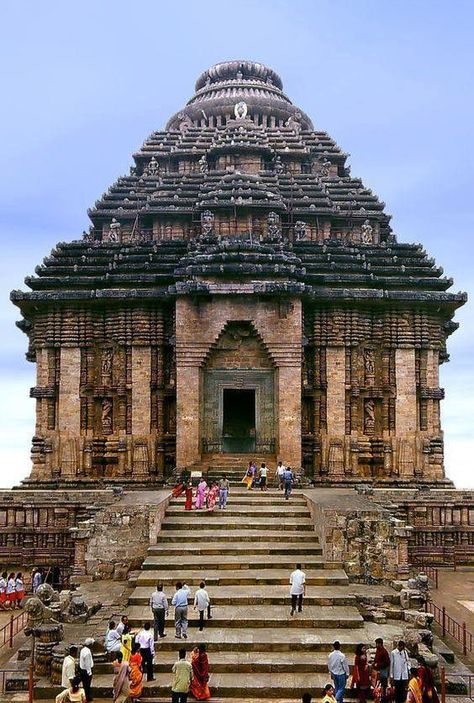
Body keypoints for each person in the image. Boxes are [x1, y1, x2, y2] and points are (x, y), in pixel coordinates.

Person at [79, 638, 94, 703]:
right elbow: (87, 664)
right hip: (86, 671)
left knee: (85, 685)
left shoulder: (83, 650)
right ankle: (88, 698)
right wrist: (89, 673)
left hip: (82, 669)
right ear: (90, 645)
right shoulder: (87, 652)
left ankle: (86, 696)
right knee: (87, 685)